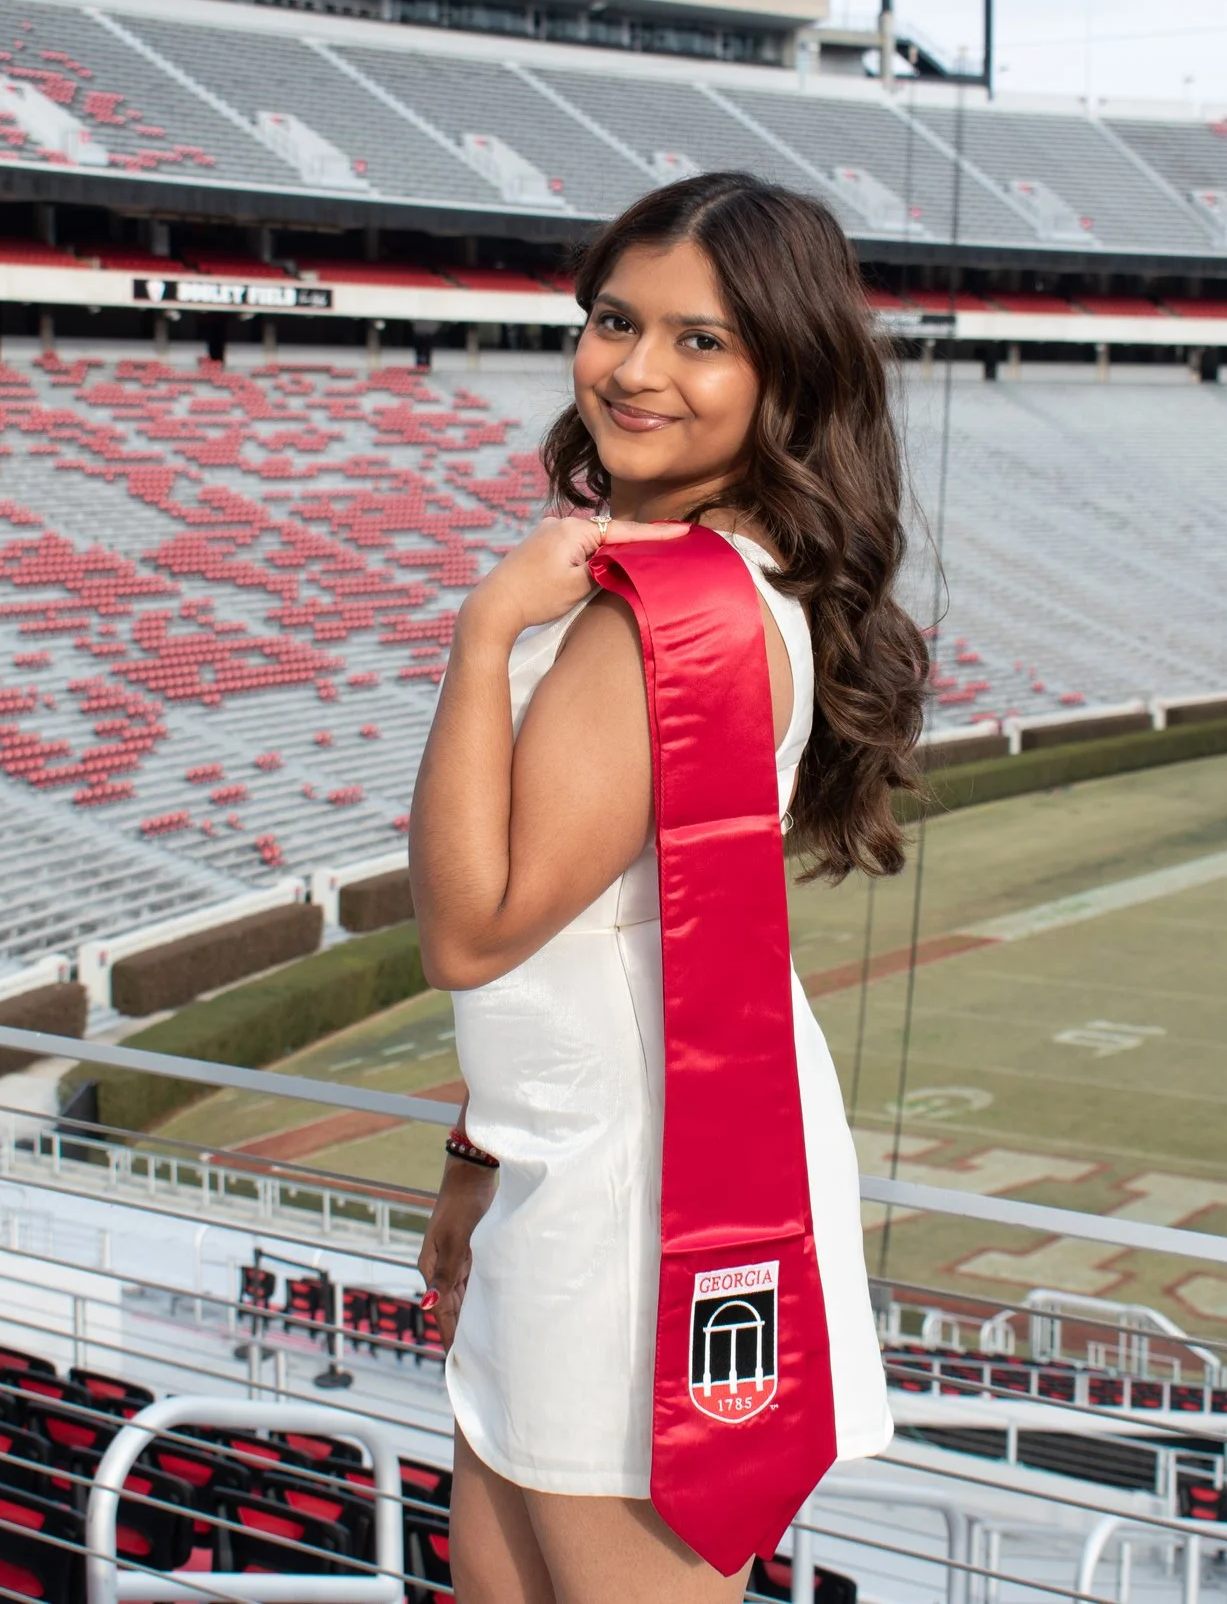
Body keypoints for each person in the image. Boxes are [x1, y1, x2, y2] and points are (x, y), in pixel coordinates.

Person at [408, 171, 928, 1604]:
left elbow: (472, 927)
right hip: (576, 1159)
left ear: (785, 375)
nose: (634, 369)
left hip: (650, 1201)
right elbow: (612, 929)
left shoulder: (680, 613)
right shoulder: (690, 577)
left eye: (700, 340)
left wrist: (480, 631)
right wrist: (476, 1147)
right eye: (614, 321)